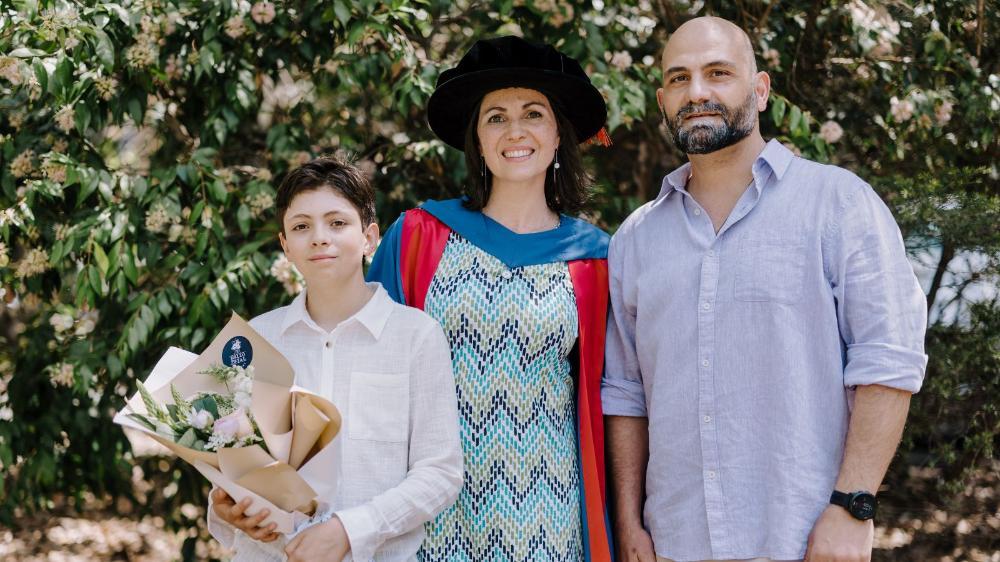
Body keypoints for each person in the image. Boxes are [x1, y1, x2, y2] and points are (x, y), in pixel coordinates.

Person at [602, 16, 928, 562]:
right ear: (661, 99)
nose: (697, 92)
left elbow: (887, 362)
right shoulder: (635, 239)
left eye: (718, 72)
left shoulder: (838, 204)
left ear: (760, 89)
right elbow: (626, 393)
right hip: (674, 542)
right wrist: (629, 522)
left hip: (803, 539)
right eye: (679, 78)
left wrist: (853, 507)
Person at [367, 36, 614, 561]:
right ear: (477, 140)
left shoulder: (595, 261)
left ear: (556, 136)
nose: (515, 130)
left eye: (533, 114)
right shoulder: (418, 237)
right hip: (428, 506)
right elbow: (366, 372)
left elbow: (616, 399)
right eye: (495, 117)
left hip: (547, 512)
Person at [207, 157, 463, 562]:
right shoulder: (256, 337)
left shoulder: (416, 336)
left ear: (370, 238)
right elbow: (232, 454)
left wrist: (350, 530)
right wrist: (225, 507)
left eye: (337, 223)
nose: (319, 238)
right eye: (302, 226)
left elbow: (440, 472)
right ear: (285, 246)